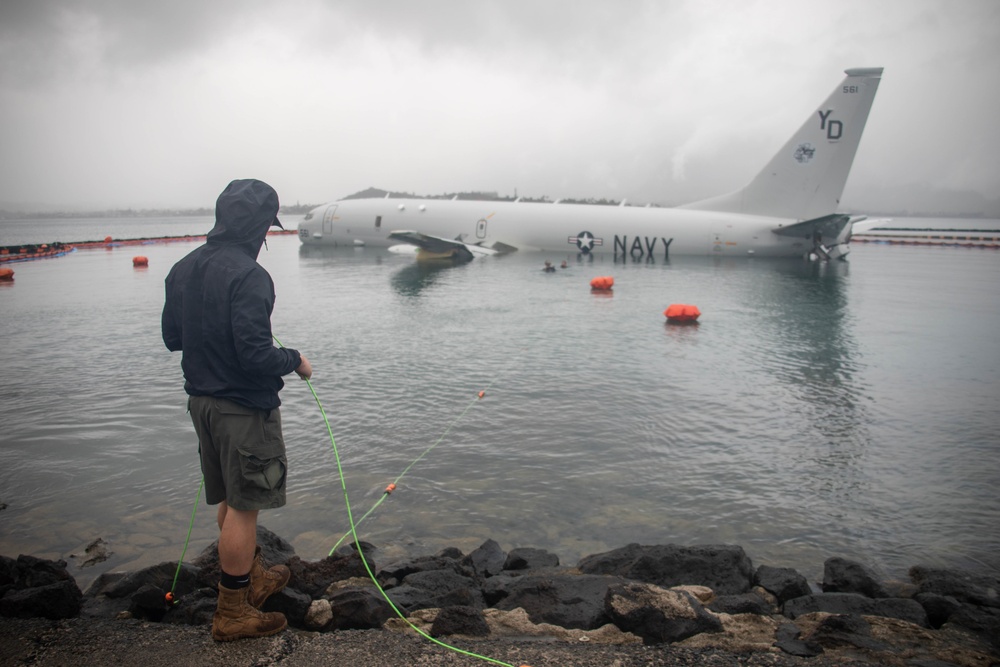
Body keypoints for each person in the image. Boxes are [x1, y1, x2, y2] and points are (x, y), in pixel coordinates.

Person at [161, 178, 312, 641]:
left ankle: (254, 578)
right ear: (262, 226)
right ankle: (232, 613)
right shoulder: (250, 275)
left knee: (231, 496)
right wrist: (296, 361)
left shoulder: (183, 267)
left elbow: (173, 338)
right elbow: (256, 356)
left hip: (201, 404)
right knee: (246, 508)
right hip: (243, 409)